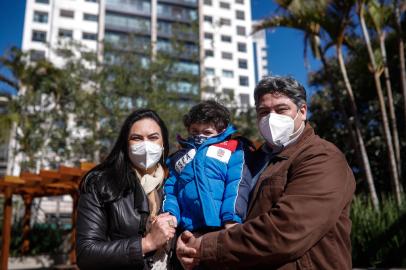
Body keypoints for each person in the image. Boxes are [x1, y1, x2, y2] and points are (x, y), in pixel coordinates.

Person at [176, 76, 356, 270]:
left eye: (281, 109)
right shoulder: (248, 158)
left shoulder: (321, 157)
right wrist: (187, 239)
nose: (271, 118)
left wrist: (205, 246)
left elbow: (286, 230)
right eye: (264, 112)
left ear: (302, 111)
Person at [76, 109, 177, 270]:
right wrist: (146, 243)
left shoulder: (175, 185)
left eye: (153, 138)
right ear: (126, 144)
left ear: (163, 144)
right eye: (136, 138)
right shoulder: (101, 183)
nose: (146, 145)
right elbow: (86, 254)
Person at [162, 100, 254, 232]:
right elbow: (171, 189)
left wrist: (231, 218)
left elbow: (237, 183)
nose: (200, 136)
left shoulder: (233, 149)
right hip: (189, 228)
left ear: (221, 131)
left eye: (207, 132)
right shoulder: (179, 156)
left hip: (223, 225)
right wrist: (170, 214)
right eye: (195, 131)